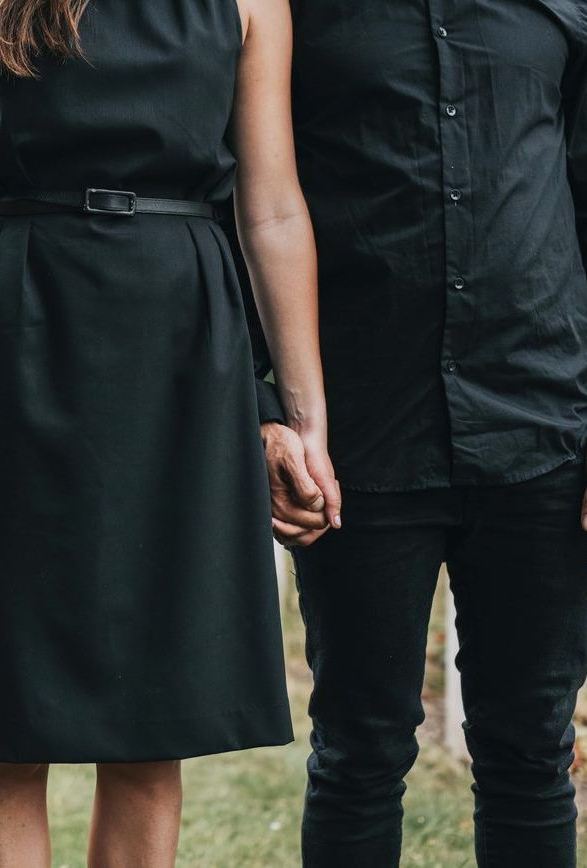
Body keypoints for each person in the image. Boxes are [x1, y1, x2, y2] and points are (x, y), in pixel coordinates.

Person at [0, 0, 334, 864]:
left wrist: (300, 419)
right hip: (14, 327)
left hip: (183, 343)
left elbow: (272, 208)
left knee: (151, 718)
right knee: (5, 721)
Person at [251, 2, 587, 866]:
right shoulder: (292, 13)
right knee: (359, 751)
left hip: (544, 423)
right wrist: (264, 405)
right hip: (356, 436)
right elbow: (242, 200)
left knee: (531, 750)